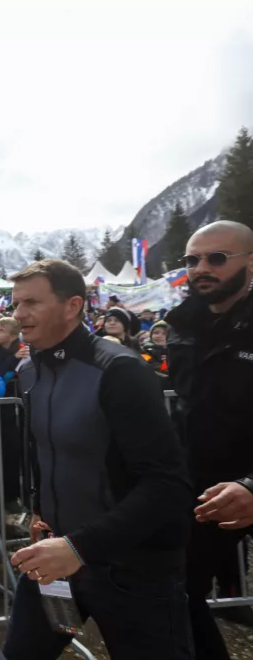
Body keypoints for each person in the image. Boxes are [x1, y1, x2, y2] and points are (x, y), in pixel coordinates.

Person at [3, 259, 193, 659]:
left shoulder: (120, 370)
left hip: (131, 569)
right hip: (56, 554)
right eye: (16, 303)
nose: (18, 314)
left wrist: (79, 547)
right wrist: (40, 508)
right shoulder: (29, 370)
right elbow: (45, 448)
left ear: (73, 306)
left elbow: (167, 484)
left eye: (31, 303)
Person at [165, 221, 253, 660]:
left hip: (246, 483)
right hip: (207, 491)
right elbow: (187, 406)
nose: (201, 268)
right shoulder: (181, 326)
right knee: (176, 592)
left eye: (216, 258)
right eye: (192, 259)